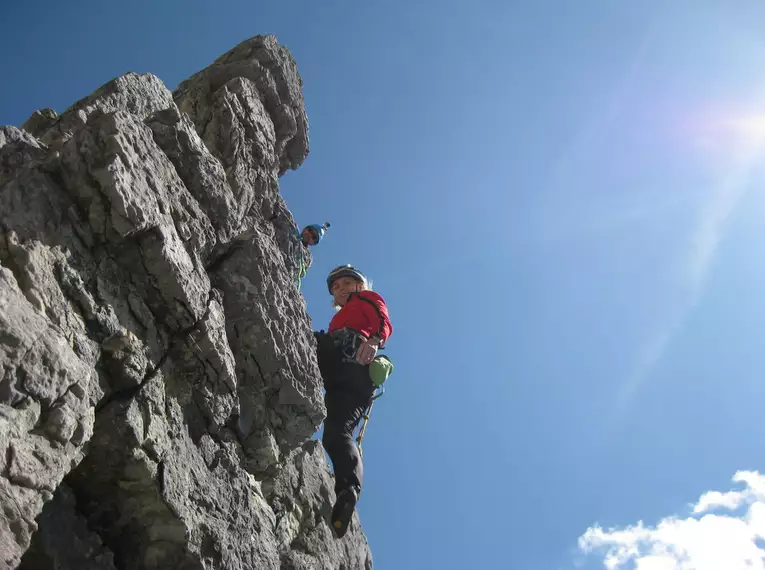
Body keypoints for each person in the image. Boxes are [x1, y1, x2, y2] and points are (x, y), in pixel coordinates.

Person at [314, 264, 393, 538]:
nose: (341, 289)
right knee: (336, 435)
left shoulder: (367, 298)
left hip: (352, 356)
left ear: (359, 285)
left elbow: (383, 319)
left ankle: (348, 490)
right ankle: (347, 492)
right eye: (336, 288)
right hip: (346, 378)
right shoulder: (338, 317)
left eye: (347, 283)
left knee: (340, 433)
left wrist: (374, 340)